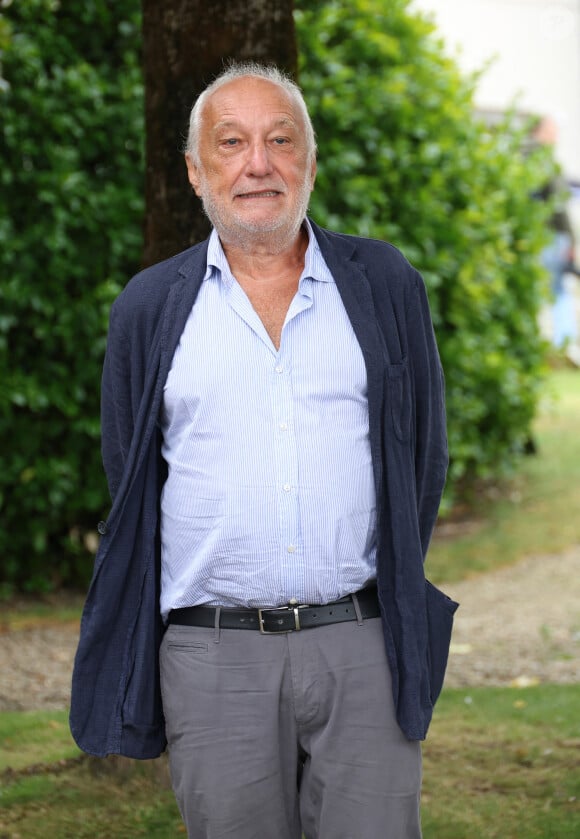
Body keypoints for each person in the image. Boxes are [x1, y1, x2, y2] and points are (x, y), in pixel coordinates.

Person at [70, 62, 458, 839]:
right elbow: (132, 473)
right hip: (213, 661)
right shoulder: (149, 307)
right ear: (195, 170)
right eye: (232, 142)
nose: (259, 163)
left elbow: (422, 458)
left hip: (363, 647)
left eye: (282, 140)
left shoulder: (383, 282)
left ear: (310, 161)